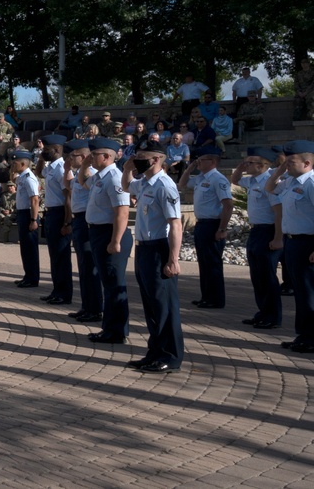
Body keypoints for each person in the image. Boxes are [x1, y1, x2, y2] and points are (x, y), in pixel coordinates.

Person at [121, 141, 185, 373]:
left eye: (141, 156)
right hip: (145, 248)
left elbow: (176, 225)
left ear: (156, 159)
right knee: (152, 305)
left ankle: (171, 356)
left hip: (160, 249)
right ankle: (155, 352)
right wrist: (128, 168)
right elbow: (128, 187)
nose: (137, 158)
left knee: (165, 305)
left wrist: (174, 259)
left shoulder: (165, 186)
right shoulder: (146, 182)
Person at [78, 138, 133, 344]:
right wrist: (84, 165)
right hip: (98, 233)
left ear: (107, 157)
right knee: (108, 283)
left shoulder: (115, 178)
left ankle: (117, 331)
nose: (91, 157)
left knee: (114, 283)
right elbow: (82, 182)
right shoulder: (101, 176)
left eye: (94, 155)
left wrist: (115, 240)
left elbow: (122, 212)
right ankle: (110, 328)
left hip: (110, 233)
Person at [266, 140, 314, 353]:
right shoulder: (290, 181)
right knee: (300, 293)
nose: (287, 164)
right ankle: (303, 335)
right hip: (292, 242)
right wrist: (279, 170)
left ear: (306, 163)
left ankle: (311, 338)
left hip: (308, 243)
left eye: (291, 161)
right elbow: (270, 188)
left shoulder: (311, 183)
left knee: (309, 292)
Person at [231, 148, 282, 330]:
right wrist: (240, 166)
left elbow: (278, 212)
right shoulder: (252, 180)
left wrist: (278, 238)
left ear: (262, 165)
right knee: (257, 276)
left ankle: (273, 316)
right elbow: (235, 180)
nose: (246, 165)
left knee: (267, 276)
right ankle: (263, 313)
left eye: (250, 162)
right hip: (256, 231)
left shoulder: (271, 182)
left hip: (268, 231)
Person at [178, 145, 233, 309]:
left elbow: (228, 205)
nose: (199, 163)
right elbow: (182, 183)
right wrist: (190, 168)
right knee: (204, 263)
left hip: (213, 225)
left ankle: (216, 299)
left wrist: (222, 229)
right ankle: (206, 296)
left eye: (202, 160)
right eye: (198, 160)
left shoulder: (218, 179)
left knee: (213, 263)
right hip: (201, 224)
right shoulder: (201, 178)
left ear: (213, 162)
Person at [63, 139, 103, 324]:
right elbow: (69, 186)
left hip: (87, 220)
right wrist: (66, 169)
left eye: (74, 155)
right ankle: (87, 306)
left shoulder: (92, 174)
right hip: (79, 220)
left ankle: (95, 309)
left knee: (89, 266)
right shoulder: (79, 174)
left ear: (85, 157)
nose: (70, 158)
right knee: (83, 267)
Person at [38, 134, 73, 306]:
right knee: (54, 255)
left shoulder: (61, 169)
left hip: (60, 213)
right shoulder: (51, 167)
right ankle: (56, 290)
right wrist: (40, 158)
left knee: (61, 255)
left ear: (58, 150)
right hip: (51, 213)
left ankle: (64, 293)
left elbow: (68, 198)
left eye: (47, 149)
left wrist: (67, 222)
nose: (44, 151)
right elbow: (39, 172)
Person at [12, 151, 41, 287]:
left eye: (15, 163)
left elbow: (35, 200)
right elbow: (13, 179)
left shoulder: (29, 178)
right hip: (22, 213)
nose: (13, 165)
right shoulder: (22, 176)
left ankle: (33, 278)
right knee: (25, 248)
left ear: (23, 164)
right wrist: (12, 170)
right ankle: (28, 275)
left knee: (30, 248)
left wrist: (33, 220)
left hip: (29, 214)